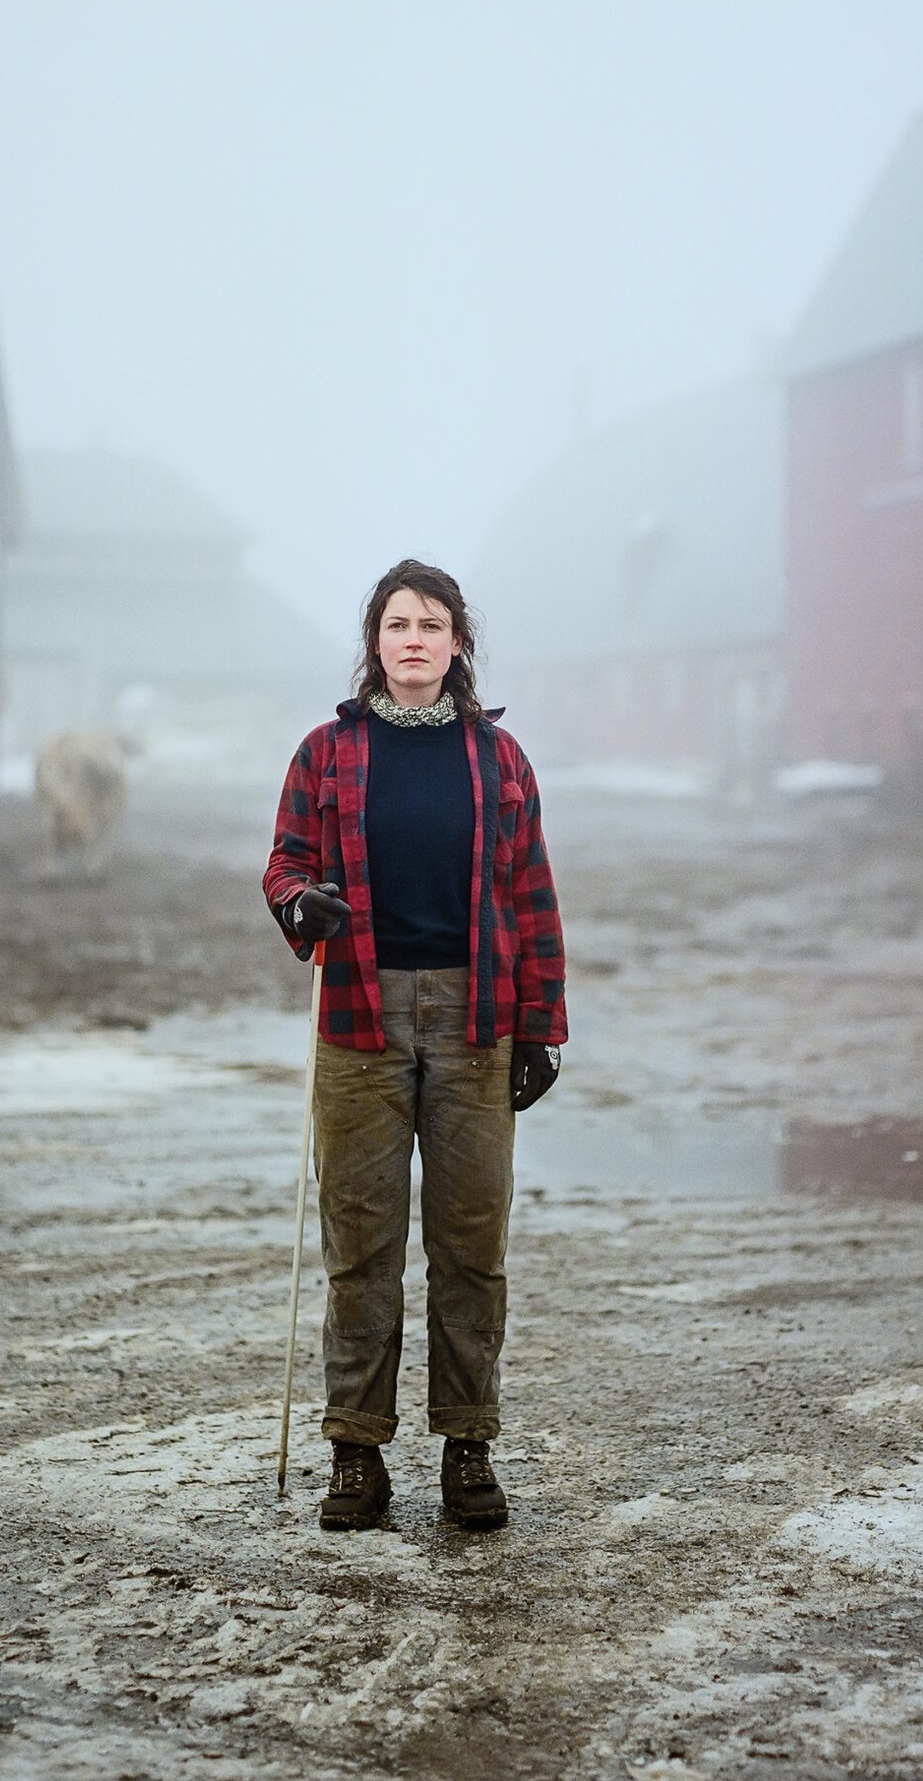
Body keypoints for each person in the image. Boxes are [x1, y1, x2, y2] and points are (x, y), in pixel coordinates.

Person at [263, 558, 566, 1531]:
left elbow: (532, 895)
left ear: (457, 644)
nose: (414, 639)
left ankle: (468, 1446)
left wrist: (541, 1028)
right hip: (360, 1017)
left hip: (477, 1022)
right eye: (398, 623)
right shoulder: (327, 752)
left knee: (471, 1245)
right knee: (362, 1245)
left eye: (432, 624)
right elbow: (286, 862)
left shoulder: (499, 759)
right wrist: (300, 902)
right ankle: (357, 1453)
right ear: (375, 641)